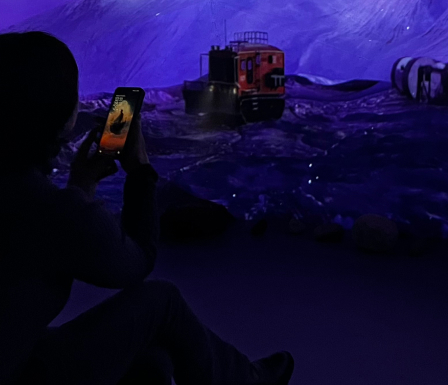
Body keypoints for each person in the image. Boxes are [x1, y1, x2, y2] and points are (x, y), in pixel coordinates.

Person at [0, 31, 294, 385]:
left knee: (154, 354)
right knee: (162, 303)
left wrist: (82, 185)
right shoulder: (52, 210)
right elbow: (136, 262)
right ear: (61, 115)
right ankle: (247, 381)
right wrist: (140, 171)